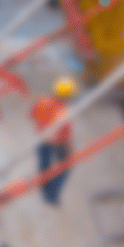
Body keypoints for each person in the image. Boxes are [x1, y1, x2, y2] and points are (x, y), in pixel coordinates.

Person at [31, 76, 76, 205]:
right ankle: (51, 196)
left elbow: (32, 114)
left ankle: (44, 188)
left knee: (44, 165)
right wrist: (68, 149)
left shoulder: (42, 101)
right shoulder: (63, 112)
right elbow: (65, 136)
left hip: (41, 138)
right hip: (57, 144)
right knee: (64, 170)